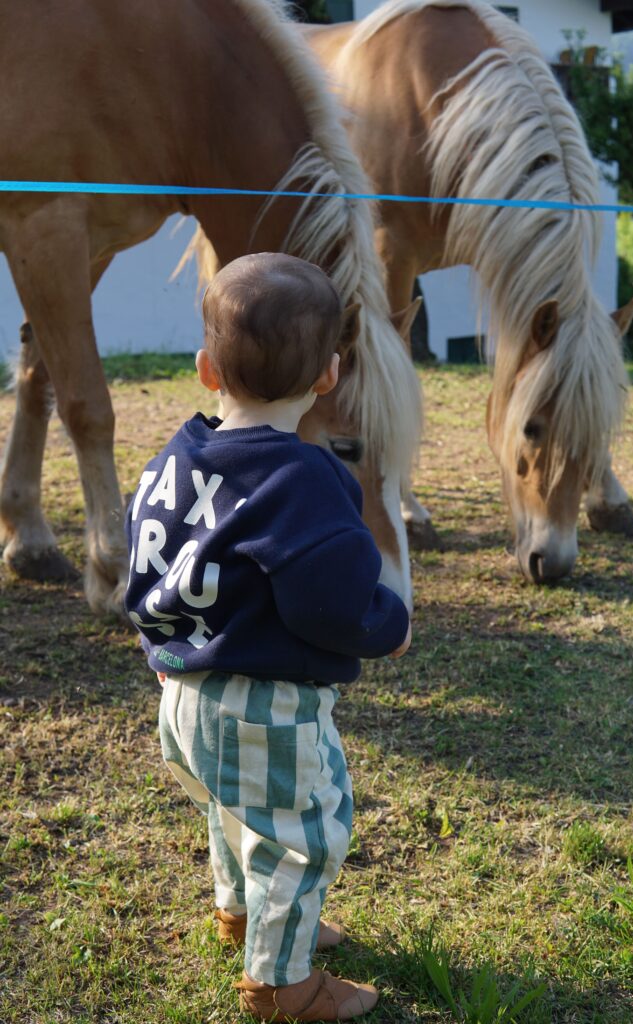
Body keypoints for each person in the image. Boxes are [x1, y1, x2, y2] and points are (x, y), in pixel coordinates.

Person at [124, 253, 411, 1022]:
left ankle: (246, 919)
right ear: (328, 376)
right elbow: (331, 603)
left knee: (233, 812)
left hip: (180, 693)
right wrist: (387, 627)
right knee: (300, 837)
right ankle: (282, 987)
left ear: (205, 369)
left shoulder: (169, 463)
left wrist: (165, 647)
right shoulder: (304, 480)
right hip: (265, 706)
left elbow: (142, 565)